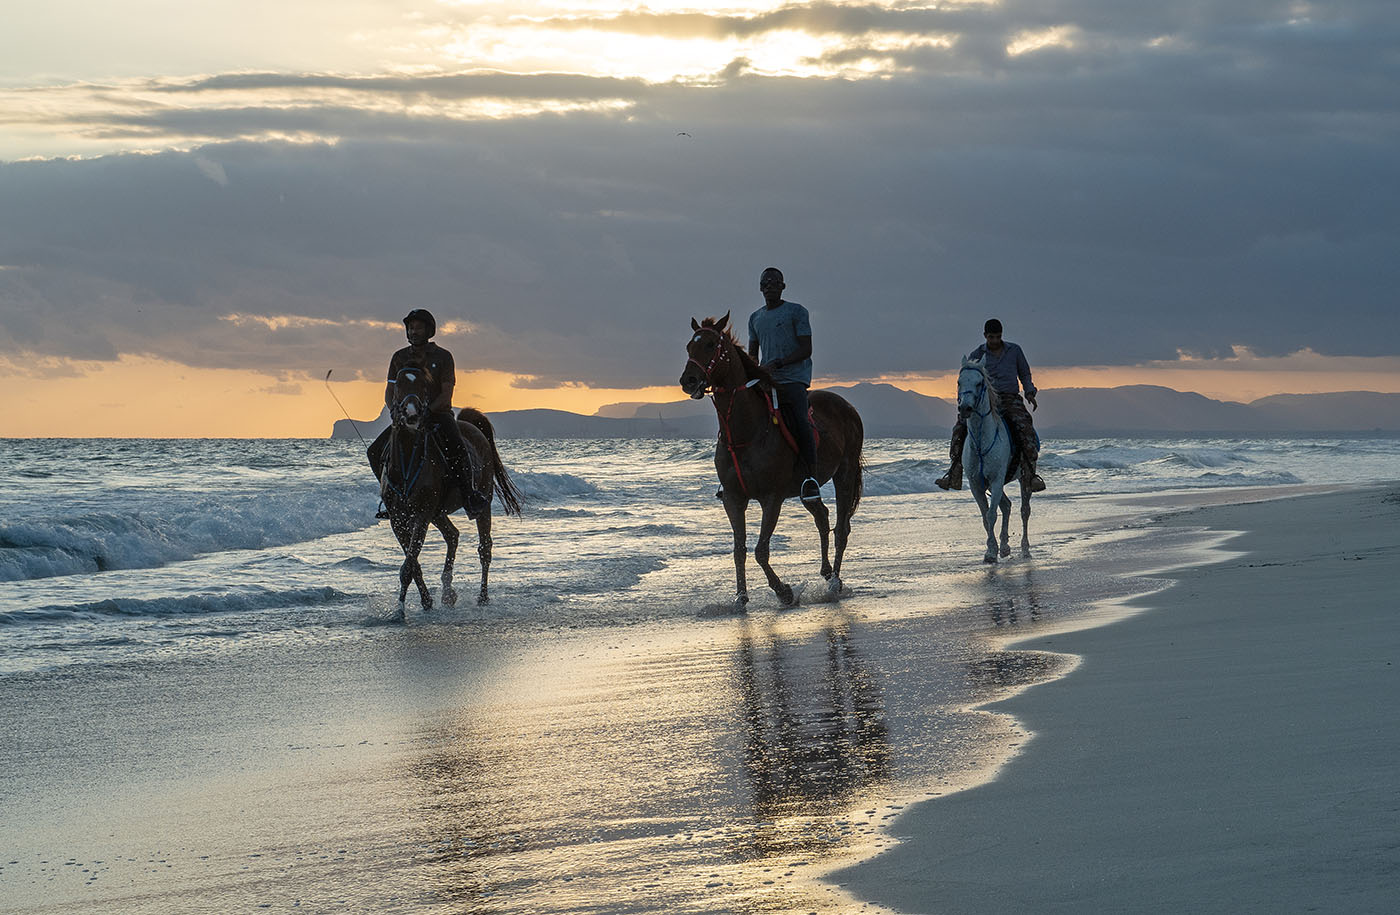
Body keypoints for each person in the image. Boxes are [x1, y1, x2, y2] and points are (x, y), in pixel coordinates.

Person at [368, 309, 490, 519]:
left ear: (429, 330)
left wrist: (429, 411)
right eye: (410, 328)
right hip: (406, 418)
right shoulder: (399, 357)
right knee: (374, 451)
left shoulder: (443, 357)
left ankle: (469, 495)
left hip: (438, 415)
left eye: (418, 328)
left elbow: (446, 393)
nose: (413, 332)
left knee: (458, 448)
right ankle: (392, 498)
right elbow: (390, 391)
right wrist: (394, 410)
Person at [935, 318, 1046, 493]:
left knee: (1025, 428)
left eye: (998, 337)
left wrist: (1030, 392)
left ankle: (1030, 474)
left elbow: (1024, 373)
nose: (995, 340)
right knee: (959, 430)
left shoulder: (1014, 351)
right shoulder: (976, 354)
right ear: (985, 336)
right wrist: (964, 401)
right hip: (984, 401)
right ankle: (954, 472)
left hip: (1010, 398)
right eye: (991, 337)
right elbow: (968, 381)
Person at [747, 267, 822, 503]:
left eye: (774, 282)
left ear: (783, 286)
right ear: (760, 288)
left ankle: (811, 478)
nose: (769, 286)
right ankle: (734, 477)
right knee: (741, 413)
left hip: (793, 379)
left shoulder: (796, 312)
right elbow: (752, 355)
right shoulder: (755, 318)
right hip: (767, 380)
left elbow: (806, 349)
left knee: (800, 420)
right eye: (765, 283)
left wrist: (779, 363)